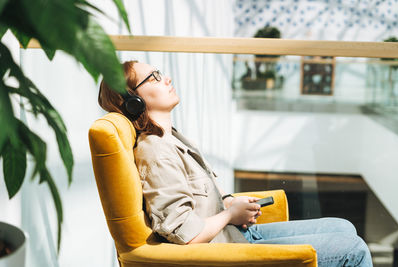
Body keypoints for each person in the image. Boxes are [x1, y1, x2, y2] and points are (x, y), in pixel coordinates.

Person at [98, 60, 373, 267]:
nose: (165, 78)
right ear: (134, 100)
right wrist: (229, 215)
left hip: (237, 234)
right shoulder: (156, 152)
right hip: (226, 250)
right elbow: (185, 234)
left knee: (343, 227)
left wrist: (229, 203)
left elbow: (196, 200)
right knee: (353, 250)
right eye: (154, 77)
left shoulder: (172, 139)